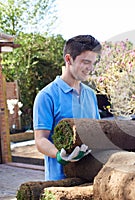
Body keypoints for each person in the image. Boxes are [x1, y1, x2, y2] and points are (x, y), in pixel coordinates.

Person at [33, 35, 102, 180]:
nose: (90, 68)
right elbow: (40, 140)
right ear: (68, 59)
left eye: (93, 63)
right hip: (60, 181)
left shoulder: (90, 94)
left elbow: (98, 130)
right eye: (85, 62)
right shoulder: (47, 96)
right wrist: (60, 154)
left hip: (90, 179)